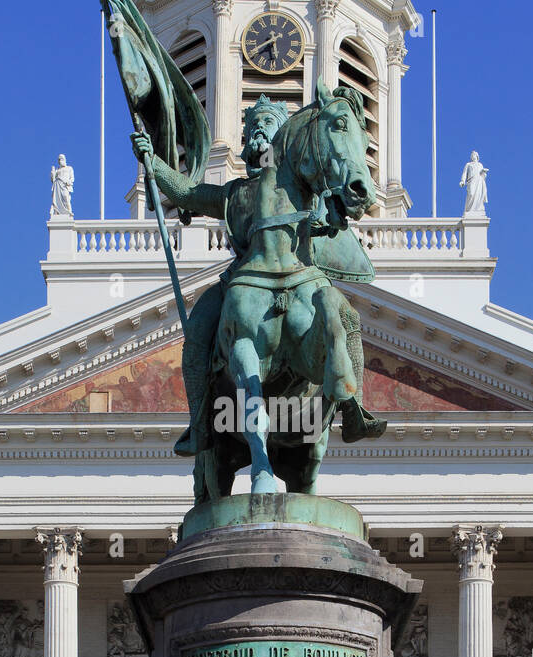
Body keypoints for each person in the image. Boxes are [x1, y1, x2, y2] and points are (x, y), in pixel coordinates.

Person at [131, 94, 384, 455]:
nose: (258, 131)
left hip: (300, 275)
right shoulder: (234, 193)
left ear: (287, 134)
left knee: (344, 316)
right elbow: (187, 193)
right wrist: (153, 163)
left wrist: (325, 218)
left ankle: (352, 405)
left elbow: (338, 217)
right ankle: (200, 424)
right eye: (253, 125)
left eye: (268, 123)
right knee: (198, 336)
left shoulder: (309, 192)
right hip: (243, 281)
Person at [459, 150, 488, 215]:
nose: (472, 156)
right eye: (471, 155)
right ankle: (469, 209)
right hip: (471, 181)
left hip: (479, 181)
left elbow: (483, 175)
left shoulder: (480, 164)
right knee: (471, 194)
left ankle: (477, 209)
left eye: (474, 155)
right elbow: (464, 173)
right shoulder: (468, 164)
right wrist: (462, 181)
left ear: (477, 156)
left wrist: (484, 172)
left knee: (478, 195)